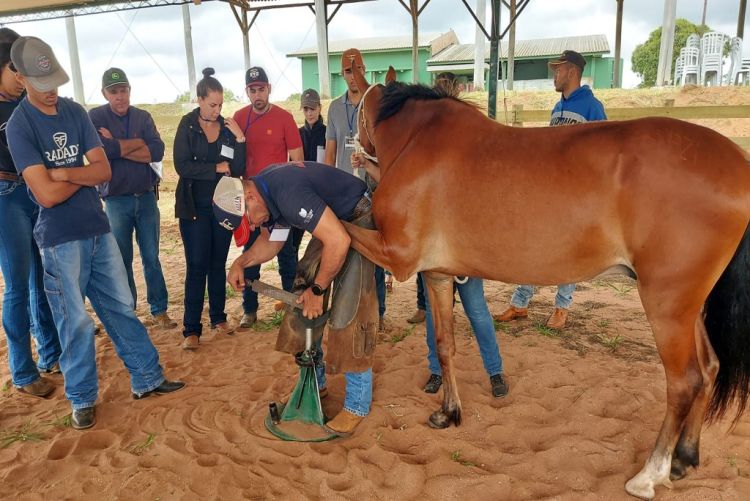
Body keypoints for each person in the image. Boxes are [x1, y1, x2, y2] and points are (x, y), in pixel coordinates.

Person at [6, 36, 185, 429]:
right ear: (20, 77)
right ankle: (82, 397)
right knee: (75, 322)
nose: (51, 91)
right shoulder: (19, 126)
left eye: (54, 80)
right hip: (59, 238)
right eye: (41, 83)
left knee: (121, 306)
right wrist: (79, 178)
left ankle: (147, 377)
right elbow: (46, 196)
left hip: (97, 227)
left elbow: (103, 171)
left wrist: (67, 173)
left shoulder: (73, 111)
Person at [226, 161, 378, 437]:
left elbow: (339, 242)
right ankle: (314, 384)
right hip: (335, 223)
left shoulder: (287, 193)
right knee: (302, 290)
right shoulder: (267, 193)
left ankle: (357, 404)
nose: (253, 224)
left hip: (359, 217)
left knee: (349, 308)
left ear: (249, 196)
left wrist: (319, 291)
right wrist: (242, 261)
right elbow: (273, 241)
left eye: (249, 219)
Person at [495, 50, 607, 330]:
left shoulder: (592, 107)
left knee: (567, 251)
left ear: (572, 72)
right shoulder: (557, 109)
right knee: (535, 245)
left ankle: (562, 307)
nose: (554, 75)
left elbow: (604, 152)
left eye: (558, 70)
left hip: (577, 194)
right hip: (552, 192)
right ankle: (520, 303)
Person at [89, 67, 175, 329]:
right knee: (121, 259)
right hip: (116, 200)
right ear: (105, 93)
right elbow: (103, 150)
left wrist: (118, 146)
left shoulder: (143, 116)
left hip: (146, 197)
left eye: (123, 90)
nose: (120, 96)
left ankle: (158, 309)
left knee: (151, 256)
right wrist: (135, 144)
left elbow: (157, 151)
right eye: (114, 91)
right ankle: (128, 311)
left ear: (129, 90)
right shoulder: (95, 116)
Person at [0, 32, 61, 399]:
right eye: (14, 68)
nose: (21, 77)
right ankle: (22, 372)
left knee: (43, 277)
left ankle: (50, 353)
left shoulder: (27, 103)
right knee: (18, 286)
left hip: (36, 191)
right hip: (6, 195)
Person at [173, 68, 246, 350]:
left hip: (222, 207)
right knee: (197, 265)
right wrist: (215, 167)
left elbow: (238, 169)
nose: (217, 110)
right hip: (193, 208)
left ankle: (219, 318)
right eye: (212, 104)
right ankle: (191, 329)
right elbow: (182, 166)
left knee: (218, 263)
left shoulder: (228, 131)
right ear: (199, 99)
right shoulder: (187, 124)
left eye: (220, 105)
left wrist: (240, 139)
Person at [233, 66, 303, 328]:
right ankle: (249, 310)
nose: (257, 94)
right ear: (247, 92)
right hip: (251, 204)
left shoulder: (284, 118)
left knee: (287, 256)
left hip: (280, 203)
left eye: (261, 88)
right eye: (253, 90)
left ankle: (291, 305)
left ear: (269, 89)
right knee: (250, 255)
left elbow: (297, 161)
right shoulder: (238, 118)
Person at [325, 48, 387, 330]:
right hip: (340, 194)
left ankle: (379, 315)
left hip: (371, 191)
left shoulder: (374, 104)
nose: (353, 76)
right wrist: (325, 187)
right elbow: (330, 150)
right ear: (342, 73)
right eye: (348, 71)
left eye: (358, 69)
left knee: (372, 255)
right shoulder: (335, 108)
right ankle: (343, 314)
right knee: (340, 251)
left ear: (365, 70)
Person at [422, 278, 508, 397]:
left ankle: (495, 372)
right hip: (434, 265)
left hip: (465, 264)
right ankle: (437, 371)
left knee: (477, 311)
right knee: (434, 313)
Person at [298, 88, 325, 162]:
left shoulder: (329, 133)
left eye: (312, 109)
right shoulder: (297, 134)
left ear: (320, 108)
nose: (309, 114)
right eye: (305, 109)